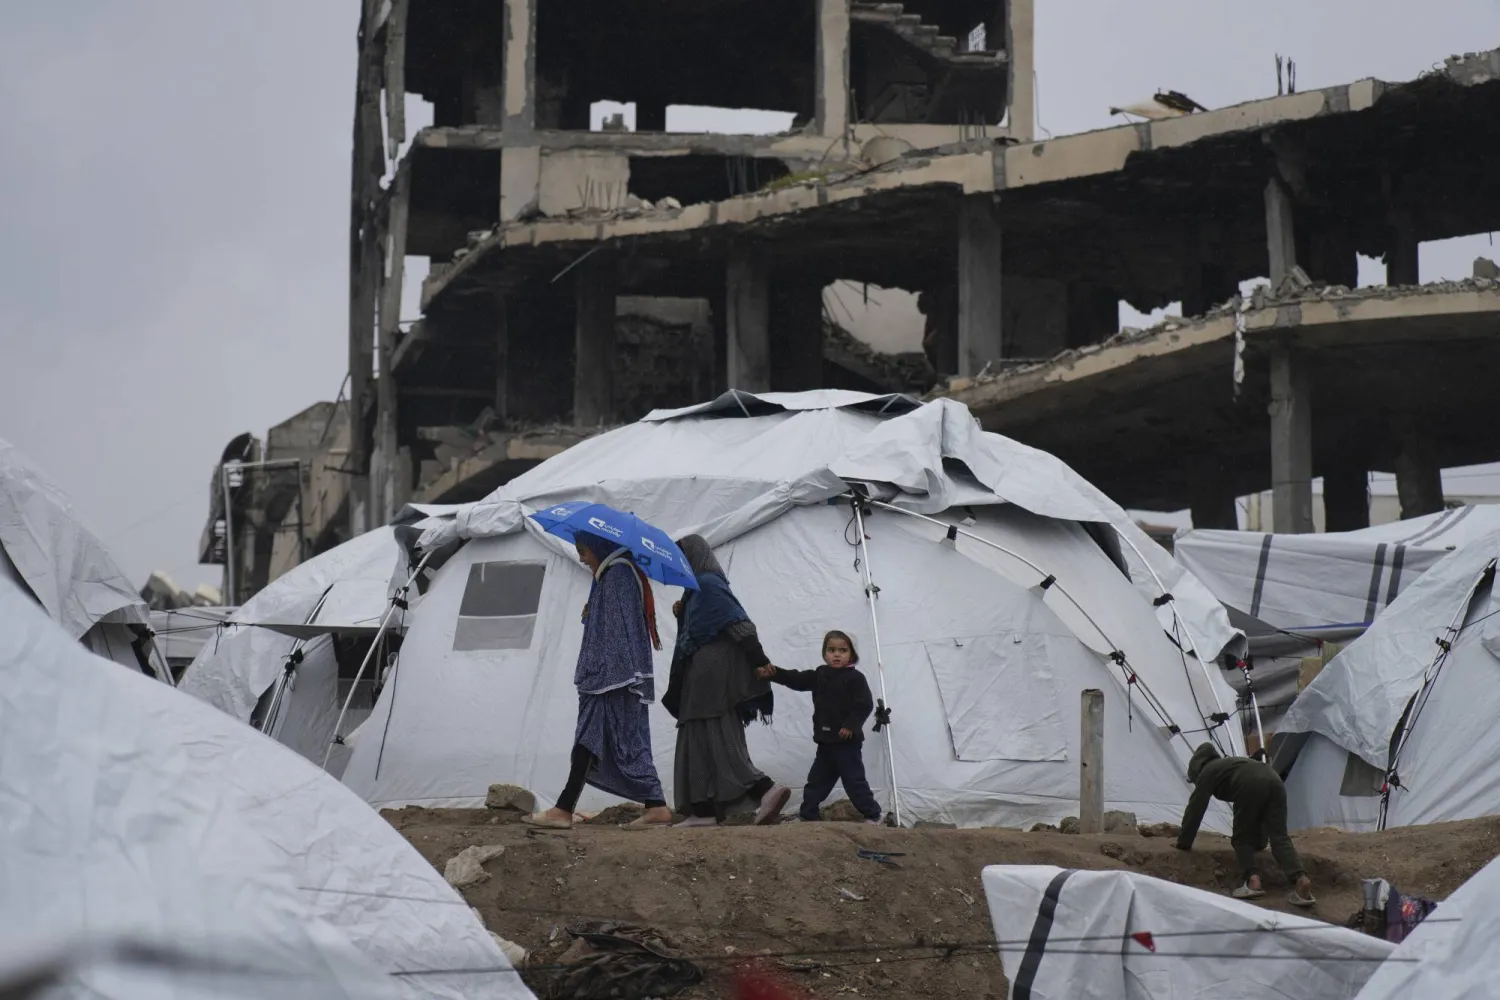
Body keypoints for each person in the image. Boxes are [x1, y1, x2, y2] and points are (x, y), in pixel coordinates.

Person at [524, 532, 672, 830]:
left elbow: (616, 634)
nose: (581, 557)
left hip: (610, 679)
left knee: (599, 740)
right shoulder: (617, 576)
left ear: (600, 546)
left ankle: (564, 809)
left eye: (584, 550)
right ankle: (655, 806)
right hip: (616, 679)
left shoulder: (618, 576)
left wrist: (600, 672)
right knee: (621, 742)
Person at [662, 535, 790, 828]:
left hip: (712, 671)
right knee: (698, 734)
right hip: (701, 672)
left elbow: (738, 623)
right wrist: (682, 615)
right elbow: (696, 633)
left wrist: (759, 660)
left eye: (682, 559)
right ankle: (702, 811)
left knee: (717, 733)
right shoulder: (695, 591)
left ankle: (764, 789)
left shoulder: (707, 583)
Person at [758, 631, 882, 825]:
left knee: (854, 782)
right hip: (825, 743)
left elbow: (864, 704)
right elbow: (796, 679)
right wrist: (774, 673)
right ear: (824, 653)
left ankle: (873, 815)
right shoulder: (820, 674)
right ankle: (808, 815)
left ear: (852, 654)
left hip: (847, 745)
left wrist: (850, 725)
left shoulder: (855, 678)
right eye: (831, 650)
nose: (837, 654)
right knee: (816, 781)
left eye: (843, 650)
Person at [1175, 742, 1316, 906]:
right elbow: (1260, 813)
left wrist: (1184, 843)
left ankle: (1253, 882)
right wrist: (1260, 843)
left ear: (1196, 769)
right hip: (1274, 779)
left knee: (1241, 839)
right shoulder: (1231, 764)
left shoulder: (1207, 772)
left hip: (1250, 784)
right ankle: (1301, 879)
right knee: (1280, 837)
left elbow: (1196, 808)